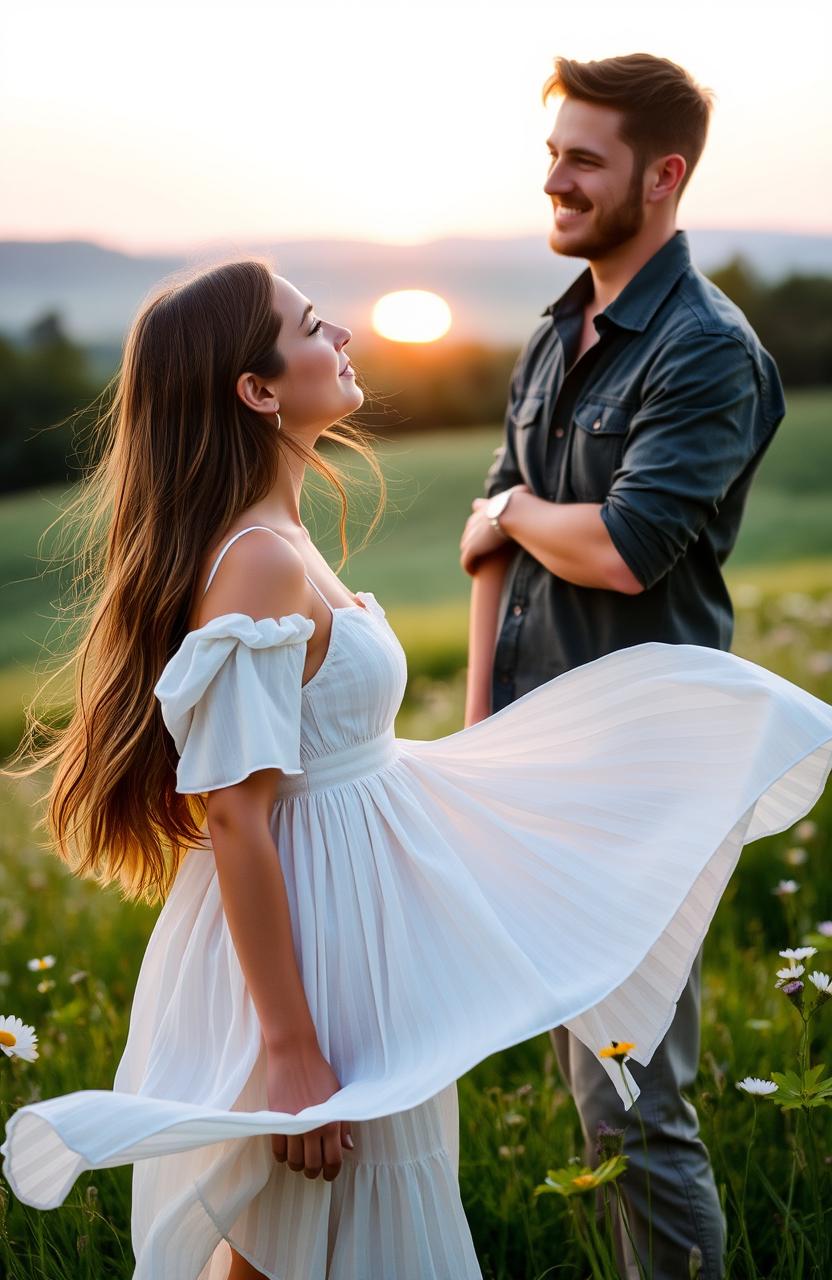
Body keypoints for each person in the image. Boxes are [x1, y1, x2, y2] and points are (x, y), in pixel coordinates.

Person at [2, 259, 830, 1280]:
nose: (341, 333)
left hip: (358, 935)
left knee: (320, 1239)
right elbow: (237, 819)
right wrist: (294, 1053)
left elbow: (342, 761)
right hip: (311, 957)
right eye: (311, 325)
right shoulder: (256, 560)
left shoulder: (285, 537)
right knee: (308, 1237)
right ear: (257, 390)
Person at [460, 53, 787, 1280]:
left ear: (663, 176)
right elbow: (494, 553)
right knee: (585, 1089)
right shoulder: (556, 335)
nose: (554, 178)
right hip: (536, 760)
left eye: (583, 158)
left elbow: (618, 549)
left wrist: (519, 509)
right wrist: (482, 739)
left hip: (645, 771)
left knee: (635, 1101)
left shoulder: (704, 348)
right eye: (552, 152)